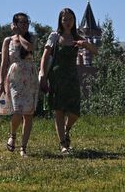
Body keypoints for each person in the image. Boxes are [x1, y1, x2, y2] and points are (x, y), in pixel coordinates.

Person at [39, 8, 97, 154]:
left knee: (74, 111)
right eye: (64, 19)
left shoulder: (77, 37)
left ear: (74, 20)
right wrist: (43, 75)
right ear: (60, 20)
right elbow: (45, 56)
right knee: (59, 110)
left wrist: (85, 44)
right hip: (56, 76)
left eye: (70, 19)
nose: (67, 22)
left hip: (71, 77)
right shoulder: (54, 36)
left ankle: (66, 129)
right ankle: (63, 144)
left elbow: (95, 51)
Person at [0, 13, 38, 157]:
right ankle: (13, 135)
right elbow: (4, 62)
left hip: (30, 77)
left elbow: (29, 49)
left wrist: (19, 35)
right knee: (17, 112)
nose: (25, 25)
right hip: (14, 78)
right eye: (22, 22)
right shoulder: (8, 41)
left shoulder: (31, 38)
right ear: (15, 23)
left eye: (27, 22)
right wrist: (0, 82)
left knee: (28, 114)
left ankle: (23, 148)